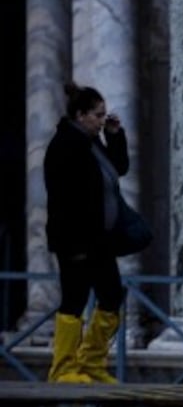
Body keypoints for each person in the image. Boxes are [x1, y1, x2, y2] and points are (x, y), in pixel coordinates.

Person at [43, 83, 129, 384]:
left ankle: (92, 362)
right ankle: (63, 368)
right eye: (98, 115)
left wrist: (115, 136)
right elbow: (65, 201)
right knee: (74, 298)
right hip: (76, 240)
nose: (102, 120)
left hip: (99, 239)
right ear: (80, 115)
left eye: (104, 114)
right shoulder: (66, 144)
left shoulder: (92, 142)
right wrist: (75, 243)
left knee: (111, 295)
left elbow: (119, 168)